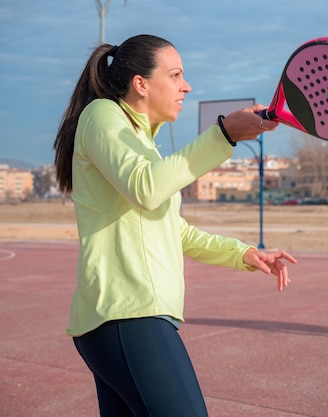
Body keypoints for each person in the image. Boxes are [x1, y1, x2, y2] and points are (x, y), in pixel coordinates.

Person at [53, 34, 297, 417]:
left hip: (127, 321)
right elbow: (147, 189)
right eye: (176, 75)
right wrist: (224, 134)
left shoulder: (143, 146)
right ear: (141, 84)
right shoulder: (102, 116)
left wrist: (243, 253)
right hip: (126, 318)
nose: (187, 86)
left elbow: (173, 228)